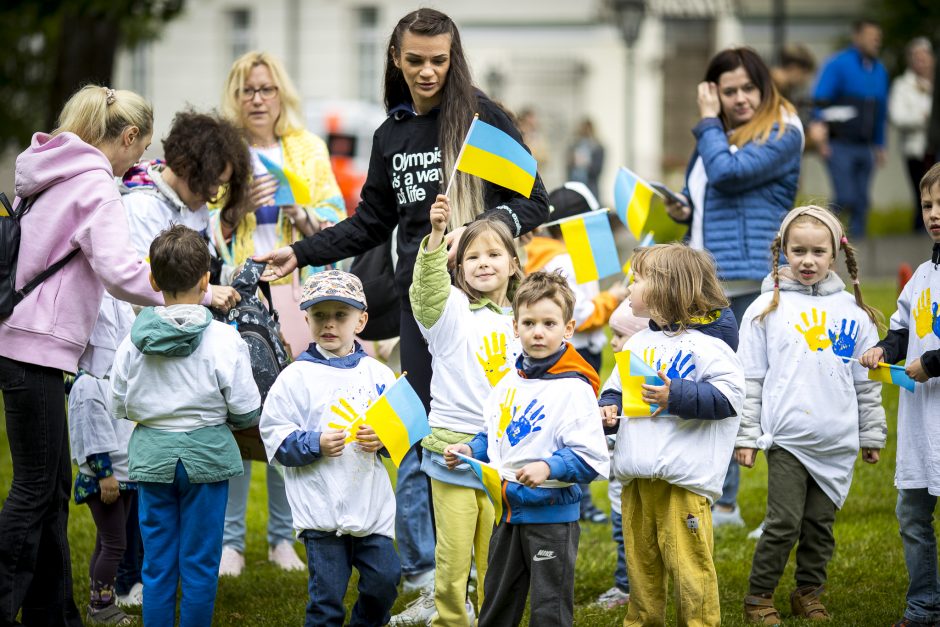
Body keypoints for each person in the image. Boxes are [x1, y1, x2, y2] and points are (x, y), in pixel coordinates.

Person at [255, 8, 550, 593]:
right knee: (423, 432)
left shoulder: (481, 119)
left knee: (493, 430)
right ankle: (432, 575)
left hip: (484, 304)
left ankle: (497, 574)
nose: (427, 71)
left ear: (453, 58)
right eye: (415, 59)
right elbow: (371, 220)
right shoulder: (390, 132)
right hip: (426, 300)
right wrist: (304, 251)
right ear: (396, 57)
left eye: (439, 60)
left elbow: (535, 200)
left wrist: (484, 229)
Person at [0, 84, 185, 625]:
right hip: (37, 344)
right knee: (34, 488)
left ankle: (52, 611)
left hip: (22, 338)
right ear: (127, 137)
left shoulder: (50, 170)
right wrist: (181, 293)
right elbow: (121, 271)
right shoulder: (95, 185)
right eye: (139, 149)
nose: (137, 164)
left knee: (53, 486)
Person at [215, 50, 346, 576]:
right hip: (236, 292)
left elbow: (338, 220)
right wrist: (236, 209)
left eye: (266, 89)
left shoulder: (307, 149)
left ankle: (281, 538)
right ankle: (230, 542)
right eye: (248, 90)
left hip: (294, 292)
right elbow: (198, 225)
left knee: (289, 409)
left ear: (280, 94)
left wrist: (307, 214)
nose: (258, 99)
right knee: (236, 412)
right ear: (235, 96)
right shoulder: (221, 153)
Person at [663, 47, 803, 527]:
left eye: (748, 88)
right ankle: (719, 501)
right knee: (713, 388)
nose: (740, 99)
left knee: (761, 387)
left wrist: (705, 120)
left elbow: (728, 173)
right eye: (729, 91)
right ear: (714, 92)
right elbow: (712, 190)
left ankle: (767, 507)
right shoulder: (720, 134)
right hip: (712, 278)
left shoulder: (784, 127)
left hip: (754, 277)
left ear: (764, 88)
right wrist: (685, 208)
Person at [735, 206, 886, 624]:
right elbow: (751, 378)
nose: (806, 260)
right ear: (782, 250)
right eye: (797, 250)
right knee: (783, 522)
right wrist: (747, 436)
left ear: (833, 256)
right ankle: (759, 598)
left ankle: (808, 593)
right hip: (787, 438)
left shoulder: (854, 315)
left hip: (836, 439)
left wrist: (870, 435)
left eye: (817, 252)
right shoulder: (765, 309)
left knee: (820, 525)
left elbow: (866, 383)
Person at [109, 225, 261, 625]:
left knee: (157, 562)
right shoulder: (225, 341)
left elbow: (118, 404)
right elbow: (246, 409)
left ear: (154, 280)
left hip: (152, 458)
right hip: (207, 460)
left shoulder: (130, 343)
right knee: (200, 562)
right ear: (206, 280)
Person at [445, 271, 609, 627]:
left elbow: (589, 456)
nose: (538, 331)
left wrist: (549, 467)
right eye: (529, 322)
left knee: (549, 608)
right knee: (498, 599)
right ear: (515, 327)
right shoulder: (509, 381)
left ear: (568, 328)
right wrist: (470, 448)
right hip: (507, 512)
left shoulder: (574, 389)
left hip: (551, 519)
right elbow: (496, 433)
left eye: (549, 323)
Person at [599, 243, 745, 627]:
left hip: (683, 483)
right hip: (636, 479)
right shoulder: (639, 342)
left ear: (666, 288)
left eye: (636, 280)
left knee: (688, 567)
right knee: (642, 566)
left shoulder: (710, 346)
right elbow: (614, 388)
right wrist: (608, 409)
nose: (628, 288)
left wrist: (674, 394)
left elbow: (729, 398)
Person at [398, 203, 523, 626]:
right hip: (451, 450)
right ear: (459, 267)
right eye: (472, 257)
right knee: (452, 559)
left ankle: (492, 618)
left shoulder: (522, 323)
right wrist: (435, 239)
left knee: (496, 555)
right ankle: (450, 619)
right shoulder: (449, 313)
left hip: (501, 455)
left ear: (513, 263)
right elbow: (427, 287)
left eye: (493, 255)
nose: (483, 263)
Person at [259, 270, 400, 627]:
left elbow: (402, 436)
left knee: (384, 581)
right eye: (320, 315)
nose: (330, 324)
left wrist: (383, 439)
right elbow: (274, 436)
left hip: (370, 507)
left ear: (361, 320)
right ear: (306, 318)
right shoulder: (295, 377)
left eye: (341, 315)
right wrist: (314, 442)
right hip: (320, 510)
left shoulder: (378, 374)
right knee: (327, 599)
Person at [860, 163, 940, 627]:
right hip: (920, 422)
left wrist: (930, 364)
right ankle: (923, 606)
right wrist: (881, 350)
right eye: (928, 204)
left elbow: (929, 354)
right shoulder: (922, 276)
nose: (934, 213)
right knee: (912, 515)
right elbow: (901, 330)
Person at [523, 181, 628, 524]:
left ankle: (574, 496)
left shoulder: (539, 250)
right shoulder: (563, 258)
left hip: (559, 352)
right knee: (578, 426)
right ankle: (581, 501)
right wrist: (612, 298)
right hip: (576, 353)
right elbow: (578, 315)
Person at [67, 294, 137, 626]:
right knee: (115, 543)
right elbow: (91, 435)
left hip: (121, 476)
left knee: (108, 540)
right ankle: (101, 605)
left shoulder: (109, 382)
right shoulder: (87, 385)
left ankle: (99, 598)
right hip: (104, 479)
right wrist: (104, 474)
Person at [591, 298, 648, 611]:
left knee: (633, 538)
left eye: (620, 335)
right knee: (621, 534)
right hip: (619, 484)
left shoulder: (642, 378)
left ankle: (628, 588)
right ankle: (626, 585)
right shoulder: (618, 375)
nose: (613, 341)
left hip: (635, 481)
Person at [812, 19, 889, 239]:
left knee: (862, 201)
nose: (876, 40)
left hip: (865, 147)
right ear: (857, 37)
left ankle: (857, 251)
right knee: (845, 197)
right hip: (839, 144)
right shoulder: (838, 64)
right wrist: (823, 138)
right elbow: (820, 100)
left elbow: (880, 111)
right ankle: (822, 237)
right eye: (871, 35)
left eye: (878, 36)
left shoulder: (880, 70)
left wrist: (880, 144)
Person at [889, 37, 935, 232]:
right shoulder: (902, 84)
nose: (921, 61)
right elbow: (897, 117)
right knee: (923, 196)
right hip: (916, 151)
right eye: (917, 57)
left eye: (925, 56)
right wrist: (925, 117)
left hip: (935, 148)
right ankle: (919, 236)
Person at [566, 119, 605, 200]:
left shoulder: (597, 147)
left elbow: (597, 169)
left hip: (590, 187)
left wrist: (585, 163)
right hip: (575, 186)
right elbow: (568, 166)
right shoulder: (574, 146)